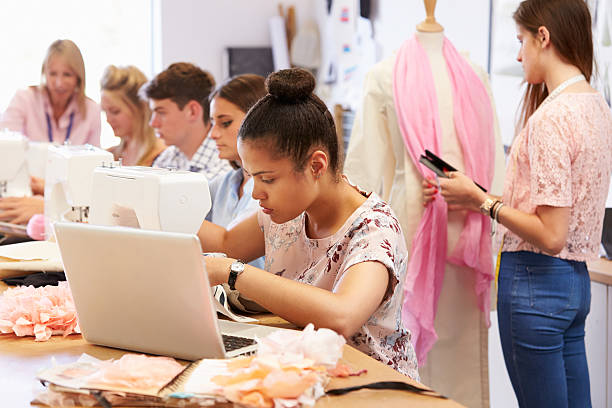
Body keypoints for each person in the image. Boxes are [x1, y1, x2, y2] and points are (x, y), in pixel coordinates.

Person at [433, 0, 612, 406]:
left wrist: (482, 201)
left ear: (543, 37)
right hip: (574, 285)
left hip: (536, 284)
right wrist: (476, 194)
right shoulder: (597, 107)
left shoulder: (552, 118)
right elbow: (552, 210)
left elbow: (551, 234)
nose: (518, 54)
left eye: (521, 41)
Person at [198, 68, 418, 380]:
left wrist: (232, 272)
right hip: (307, 376)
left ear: (316, 165)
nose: (256, 192)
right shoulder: (286, 212)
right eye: (252, 176)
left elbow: (342, 316)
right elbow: (225, 244)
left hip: (373, 386)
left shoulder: (373, 230)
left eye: (268, 179)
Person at [343, 0, 505, 405]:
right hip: (410, 229)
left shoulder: (474, 73)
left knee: (464, 349)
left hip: (467, 227)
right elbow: (364, 174)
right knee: (410, 344)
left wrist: (486, 207)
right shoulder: (384, 76)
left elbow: (492, 160)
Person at [206, 74, 266, 271]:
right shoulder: (222, 184)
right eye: (212, 123)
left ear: (256, 121)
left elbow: (230, 246)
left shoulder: (272, 188)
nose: (213, 134)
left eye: (225, 123)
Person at [0, 39, 101, 146]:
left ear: (78, 77)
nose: (59, 83)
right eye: (53, 74)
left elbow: (94, 158)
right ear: (44, 73)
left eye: (67, 74)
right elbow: (5, 144)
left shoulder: (92, 110)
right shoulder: (24, 99)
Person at [144, 62, 231, 180]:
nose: (153, 123)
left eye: (161, 112)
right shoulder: (168, 156)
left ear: (192, 111)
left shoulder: (223, 168)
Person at [101, 65, 166, 166]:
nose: (108, 120)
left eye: (115, 111)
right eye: (105, 112)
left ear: (140, 108)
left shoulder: (163, 158)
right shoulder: (111, 155)